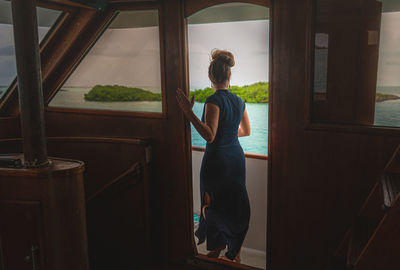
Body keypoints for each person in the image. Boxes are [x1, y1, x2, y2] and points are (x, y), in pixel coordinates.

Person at [176, 49, 251, 263]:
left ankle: (219, 249)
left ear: (211, 77)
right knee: (233, 204)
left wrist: (188, 113)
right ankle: (231, 251)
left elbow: (209, 135)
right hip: (236, 158)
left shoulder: (213, 100)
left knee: (212, 204)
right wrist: (227, 133)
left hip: (217, 160)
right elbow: (246, 131)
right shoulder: (239, 101)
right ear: (229, 76)